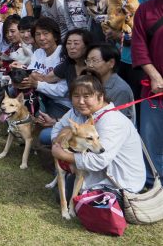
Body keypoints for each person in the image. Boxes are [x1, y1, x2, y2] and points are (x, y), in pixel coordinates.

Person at [50, 72, 145, 206]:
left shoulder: (112, 121)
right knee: (63, 193)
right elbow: (57, 128)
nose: (81, 101)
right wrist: (59, 142)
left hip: (119, 183)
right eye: (76, 96)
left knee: (68, 194)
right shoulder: (78, 111)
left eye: (87, 96)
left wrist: (63, 155)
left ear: (100, 97)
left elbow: (99, 160)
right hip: (94, 172)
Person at [132, 0, 163, 186]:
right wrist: (154, 76)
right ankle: (153, 183)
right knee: (152, 139)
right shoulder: (146, 10)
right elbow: (139, 47)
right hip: (155, 87)